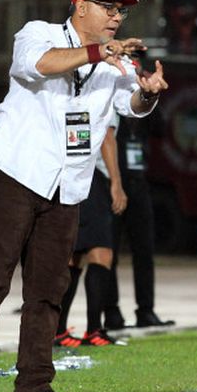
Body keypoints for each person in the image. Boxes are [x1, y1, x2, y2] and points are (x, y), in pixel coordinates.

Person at [0, 0, 168, 392]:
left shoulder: (117, 60)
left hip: (69, 182)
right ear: (81, 6)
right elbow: (39, 65)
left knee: (49, 286)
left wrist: (147, 94)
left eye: (120, 10)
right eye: (109, 7)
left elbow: (130, 106)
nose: (116, 17)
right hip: (16, 170)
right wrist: (99, 53)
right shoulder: (37, 33)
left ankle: (33, 385)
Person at [53, 114, 129, 348]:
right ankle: (93, 330)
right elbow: (106, 135)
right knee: (101, 253)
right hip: (91, 177)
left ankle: (58, 330)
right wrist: (116, 182)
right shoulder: (106, 89)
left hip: (73, 173)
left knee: (74, 255)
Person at [105, 113, 175, 329]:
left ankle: (146, 310)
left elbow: (162, 128)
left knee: (144, 250)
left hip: (139, 182)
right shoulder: (112, 106)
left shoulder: (144, 107)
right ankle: (111, 312)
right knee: (109, 252)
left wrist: (150, 98)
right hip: (114, 183)